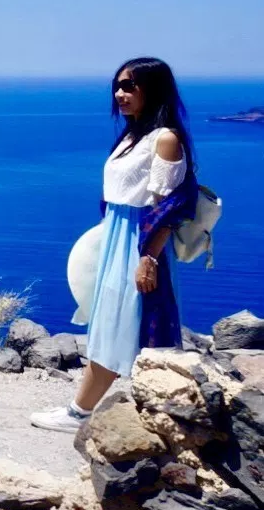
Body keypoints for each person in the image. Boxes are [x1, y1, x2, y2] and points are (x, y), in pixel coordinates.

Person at [30, 57, 197, 432]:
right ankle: (87, 411)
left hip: (139, 243)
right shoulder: (131, 135)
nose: (120, 94)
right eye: (118, 87)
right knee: (112, 324)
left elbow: (168, 207)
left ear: (152, 90)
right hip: (118, 237)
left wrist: (148, 259)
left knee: (136, 324)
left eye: (130, 86)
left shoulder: (164, 138)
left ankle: (87, 412)